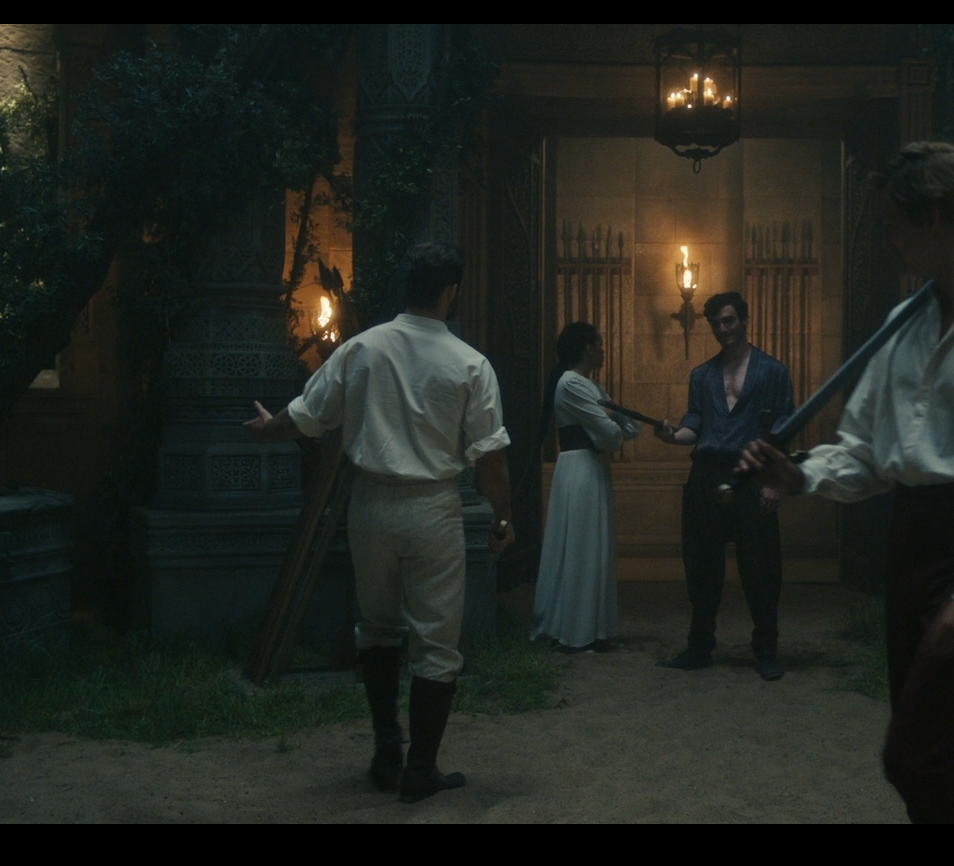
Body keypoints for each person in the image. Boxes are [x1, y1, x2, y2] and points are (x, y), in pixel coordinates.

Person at [738, 142, 954, 823]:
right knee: (930, 745)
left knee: (917, 754)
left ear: (936, 219)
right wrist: (801, 474)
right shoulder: (904, 323)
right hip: (911, 541)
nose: (886, 239)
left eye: (893, 224)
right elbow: (870, 452)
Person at [243, 241, 513, 805]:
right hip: (432, 507)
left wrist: (268, 429)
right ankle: (420, 769)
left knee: (378, 627)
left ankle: (387, 751)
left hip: (370, 505)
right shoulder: (470, 364)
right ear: (451, 291)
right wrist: (503, 517)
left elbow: (306, 416)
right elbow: (491, 457)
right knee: (436, 643)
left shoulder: (362, 349)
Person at [653, 291, 794, 681]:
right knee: (701, 566)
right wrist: (671, 436)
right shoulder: (702, 375)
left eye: (728, 320)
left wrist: (773, 483)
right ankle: (699, 647)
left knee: (761, 567)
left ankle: (766, 650)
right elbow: (693, 429)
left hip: (752, 474)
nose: (722, 329)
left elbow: (783, 431)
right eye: (715, 323)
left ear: (745, 321)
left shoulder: (772, 371)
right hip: (706, 474)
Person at [531, 322, 641, 653]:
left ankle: (593, 629)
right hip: (579, 468)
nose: (604, 351)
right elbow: (610, 435)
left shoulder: (591, 386)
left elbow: (629, 428)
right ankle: (574, 630)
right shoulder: (570, 383)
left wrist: (609, 418)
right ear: (588, 348)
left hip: (593, 469)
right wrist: (609, 421)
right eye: (600, 344)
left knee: (593, 546)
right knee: (580, 546)